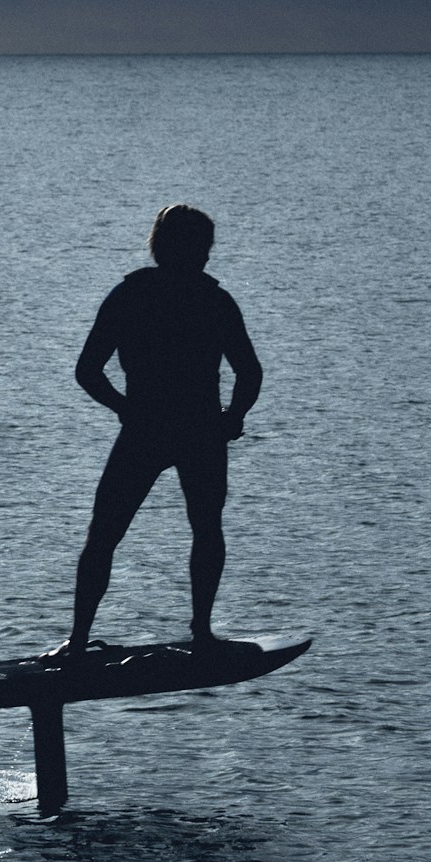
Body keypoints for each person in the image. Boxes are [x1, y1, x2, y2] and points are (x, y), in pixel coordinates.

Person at [53, 203, 262, 655]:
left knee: (106, 534)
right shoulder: (211, 300)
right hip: (196, 430)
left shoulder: (134, 295)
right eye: (203, 246)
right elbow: (250, 373)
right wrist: (232, 418)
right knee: (201, 528)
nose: (205, 256)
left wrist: (125, 409)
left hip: (150, 429)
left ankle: (79, 640)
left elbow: (89, 371)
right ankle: (201, 633)